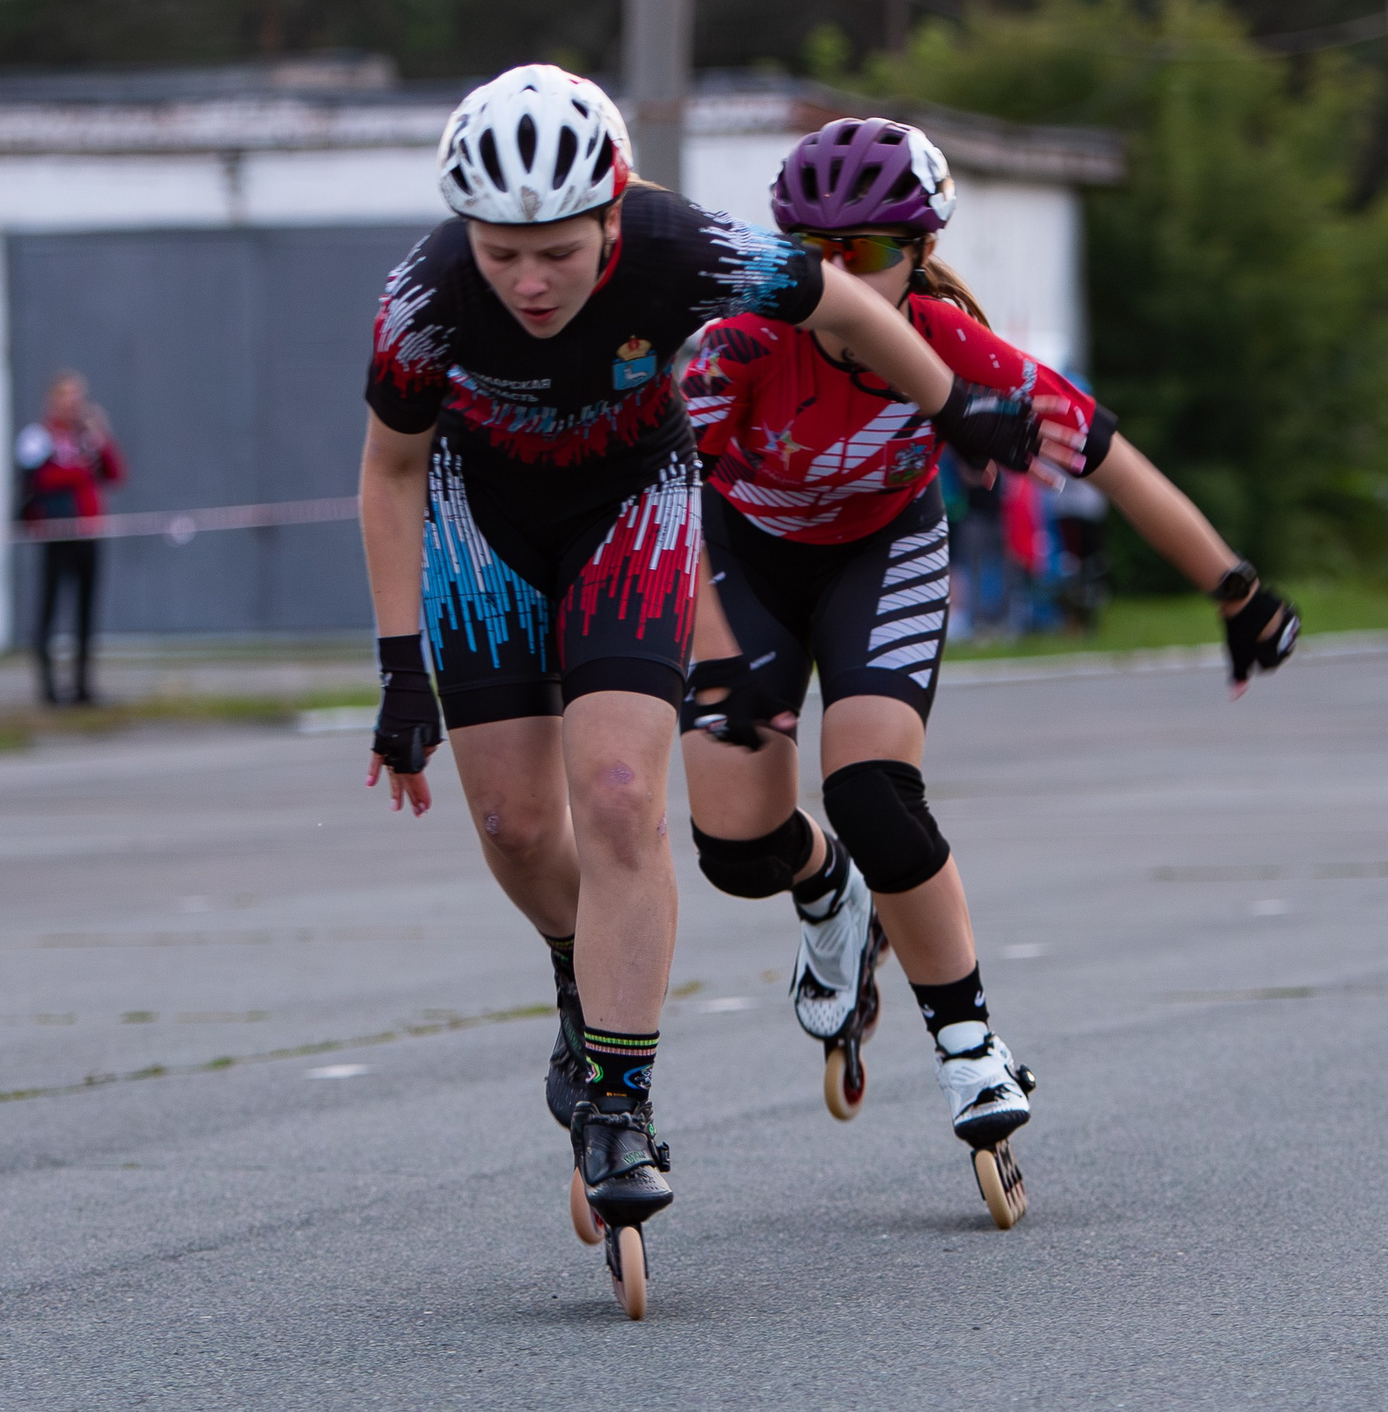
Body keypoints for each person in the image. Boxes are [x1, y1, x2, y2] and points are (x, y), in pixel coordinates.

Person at [357, 66, 1078, 1315]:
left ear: (614, 213)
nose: (529, 282)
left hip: (630, 500)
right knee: (515, 824)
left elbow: (844, 305)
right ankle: (581, 973)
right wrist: (397, 663)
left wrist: (954, 404)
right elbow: (389, 467)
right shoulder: (422, 297)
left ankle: (618, 1103)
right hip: (483, 521)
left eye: (559, 252)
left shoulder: (685, 244)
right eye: (501, 252)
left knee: (620, 794)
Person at [678, 116, 1300, 1225]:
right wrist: (710, 649)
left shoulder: (952, 345)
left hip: (879, 555)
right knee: (735, 851)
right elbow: (657, 504)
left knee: (873, 788)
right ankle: (828, 890)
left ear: (919, 252)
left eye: (867, 251)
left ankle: (968, 1040)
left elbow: (1113, 465)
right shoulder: (735, 349)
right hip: (742, 559)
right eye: (813, 250)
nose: (837, 275)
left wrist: (1234, 586)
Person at [15, 370, 122, 706]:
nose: (73, 403)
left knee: (86, 610)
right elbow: (37, 480)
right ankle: (48, 687)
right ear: (52, 399)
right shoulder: (38, 436)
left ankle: (82, 685)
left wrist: (101, 437)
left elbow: (114, 473)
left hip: (88, 533)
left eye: (78, 396)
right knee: (49, 608)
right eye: (66, 395)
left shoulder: (86, 437)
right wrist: (78, 470)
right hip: (56, 533)